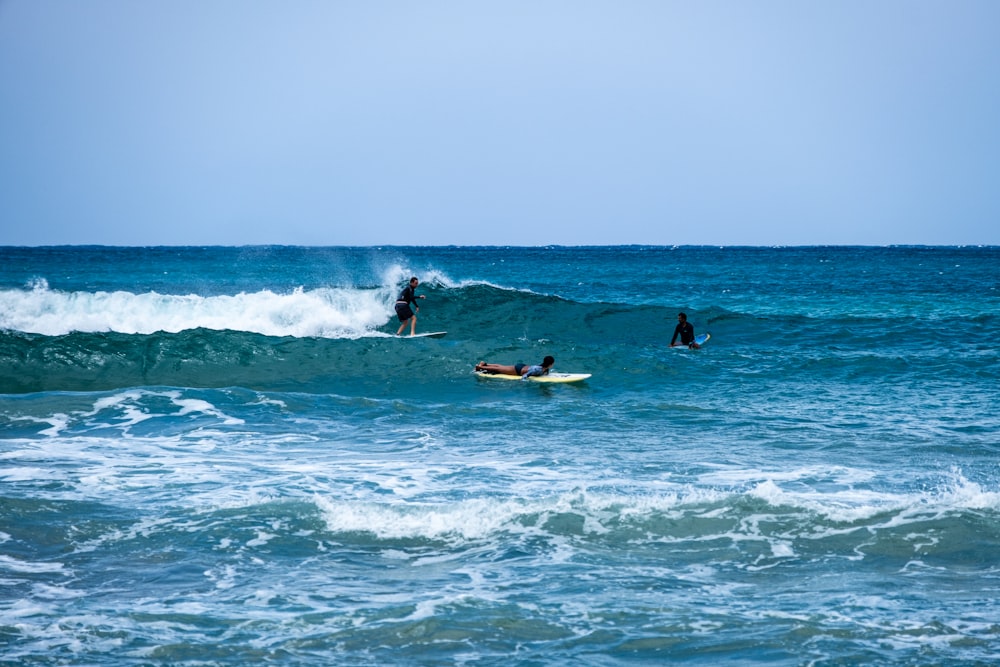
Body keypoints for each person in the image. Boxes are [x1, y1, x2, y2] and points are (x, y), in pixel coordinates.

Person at [475, 356, 555, 380]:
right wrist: (523, 383)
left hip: (523, 366)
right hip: (518, 370)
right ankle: (479, 367)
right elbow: (526, 375)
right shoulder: (538, 369)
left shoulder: (544, 368)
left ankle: (485, 364)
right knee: (499, 369)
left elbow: (544, 371)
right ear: (550, 364)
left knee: (502, 367)